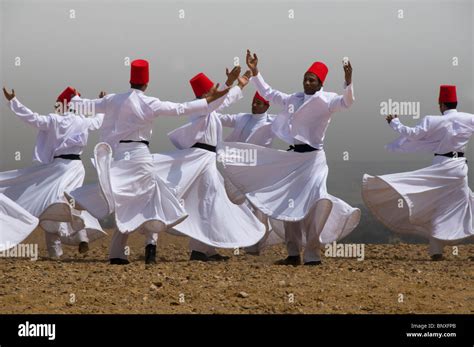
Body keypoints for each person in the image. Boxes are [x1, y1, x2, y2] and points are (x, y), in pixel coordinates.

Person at [68, 59, 231, 264]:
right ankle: (150, 249)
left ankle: (117, 254)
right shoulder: (149, 102)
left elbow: (86, 106)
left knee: (124, 200)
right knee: (149, 199)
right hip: (139, 155)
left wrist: (72, 96)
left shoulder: (112, 100)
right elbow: (180, 108)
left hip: (119, 156)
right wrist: (208, 101)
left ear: (131, 80)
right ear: (146, 83)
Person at [217, 50, 360, 266]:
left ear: (320, 83)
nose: (307, 82)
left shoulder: (327, 100)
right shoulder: (294, 98)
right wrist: (255, 72)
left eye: (311, 79)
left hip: (314, 159)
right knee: (289, 204)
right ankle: (293, 253)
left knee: (318, 198)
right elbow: (270, 93)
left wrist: (348, 83)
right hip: (293, 158)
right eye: (305, 78)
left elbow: (346, 103)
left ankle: (312, 251)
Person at [152, 68, 266, 261]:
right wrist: (230, 84)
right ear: (206, 94)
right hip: (202, 160)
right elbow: (221, 100)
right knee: (209, 201)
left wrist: (237, 85)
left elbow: (224, 100)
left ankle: (205, 249)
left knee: (210, 202)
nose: (217, 91)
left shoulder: (210, 110)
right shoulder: (201, 109)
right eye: (213, 89)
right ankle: (198, 249)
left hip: (208, 160)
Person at [363, 85, 474, 260]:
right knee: (466, 203)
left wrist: (395, 123)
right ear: (455, 102)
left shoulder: (432, 120)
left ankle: (436, 251)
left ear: (441, 104)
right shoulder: (470, 119)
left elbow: (413, 134)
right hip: (459, 169)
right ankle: (436, 250)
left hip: (441, 166)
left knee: (437, 207)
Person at [0, 86, 106, 259]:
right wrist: (101, 102)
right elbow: (98, 120)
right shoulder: (83, 121)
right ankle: (81, 237)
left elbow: (31, 118)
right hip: (77, 167)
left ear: (62, 104)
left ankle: (55, 252)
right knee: (73, 202)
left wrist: (13, 101)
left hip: (58, 168)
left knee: (51, 206)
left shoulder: (54, 120)